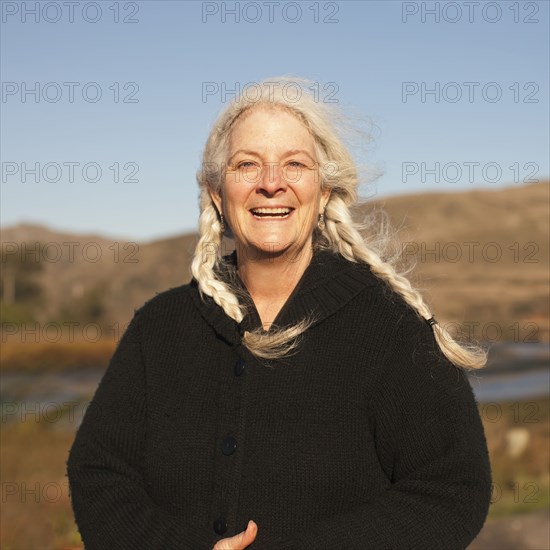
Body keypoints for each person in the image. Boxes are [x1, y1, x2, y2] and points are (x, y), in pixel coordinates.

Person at [67, 77, 492, 550]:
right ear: (215, 191)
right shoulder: (159, 327)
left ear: (325, 190)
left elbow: (451, 487)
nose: (272, 184)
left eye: (295, 164)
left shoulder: (390, 329)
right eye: (247, 165)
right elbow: (100, 473)